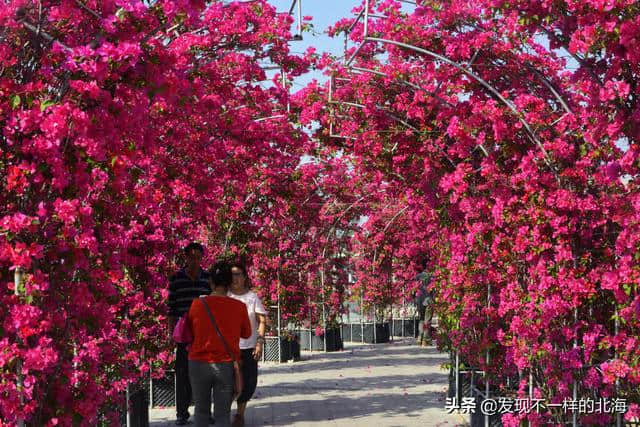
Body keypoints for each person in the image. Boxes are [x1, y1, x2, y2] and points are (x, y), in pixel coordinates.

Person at [188, 261, 251, 427]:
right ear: (230, 283)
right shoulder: (239, 307)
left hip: (198, 363)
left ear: (211, 282)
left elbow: (190, 331)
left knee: (200, 410)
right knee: (222, 413)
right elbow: (247, 333)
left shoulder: (197, 304)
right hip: (225, 365)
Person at [168, 242, 212, 425]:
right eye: (191, 257)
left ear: (202, 258)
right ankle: (182, 414)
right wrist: (171, 334)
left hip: (203, 335)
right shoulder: (176, 278)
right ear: (185, 258)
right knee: (183, 374)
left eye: (197, 257)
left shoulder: (207, 278)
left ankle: (204, 412)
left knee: (205, 375)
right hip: (184, 335)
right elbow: (171, 309)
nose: (194, 261)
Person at [227, 261, 267, 427]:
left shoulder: (252, 297)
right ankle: (225, 414)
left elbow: (262, 320)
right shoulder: (225, 296)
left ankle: (240, 414)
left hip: (248, 347)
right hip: (228, 349)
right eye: (232, 275)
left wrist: (259, 342)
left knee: (249, 383)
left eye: (238, 274)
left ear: (244, 277)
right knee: (228, 384)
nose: (235, 278)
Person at [414, 257, 434, 347]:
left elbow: (414, 290)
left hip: (419, 300)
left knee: (421, 320)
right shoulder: (431, 276)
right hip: (428, 300)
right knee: (427, 321)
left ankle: (419, 338)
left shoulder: (418, 277)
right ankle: (426, 339)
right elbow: (434, 290)